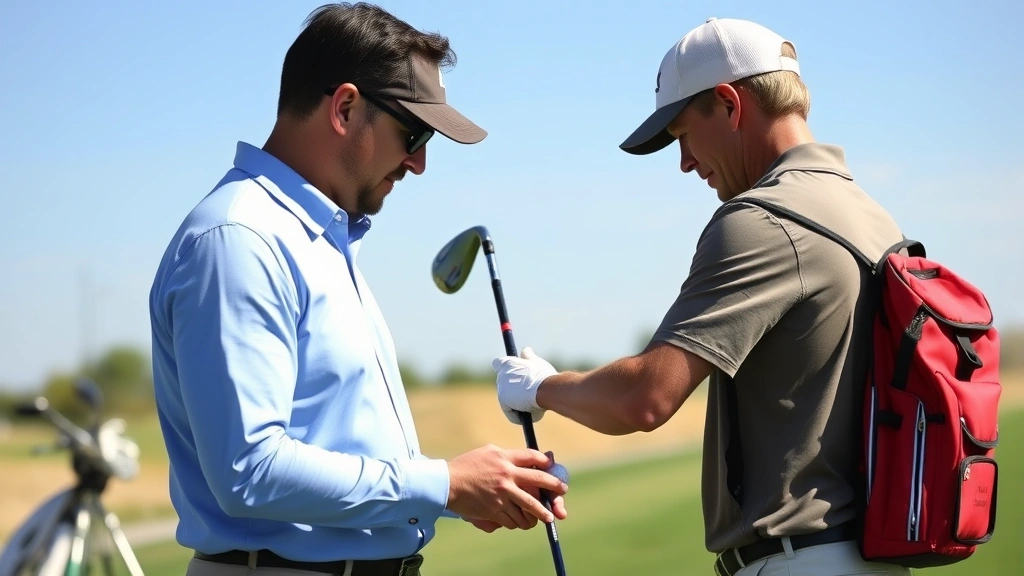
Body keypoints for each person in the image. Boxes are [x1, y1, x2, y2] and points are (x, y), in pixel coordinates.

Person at [149, 4, 567, 576]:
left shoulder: (319, 240)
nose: (418, 162)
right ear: (345, 107)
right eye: (413, 132)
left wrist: (472, 489)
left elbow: (336, 453)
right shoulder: (239, 239)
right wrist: (443, 484)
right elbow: (250, 469)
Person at [492, 17, 912, 576]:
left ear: (729, 103)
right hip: (866, 557)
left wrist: (540, 388)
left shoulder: (763, 221)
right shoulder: (872, 215)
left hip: (796, 561)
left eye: (684, 134)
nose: (685, 161)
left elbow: (643, 399)